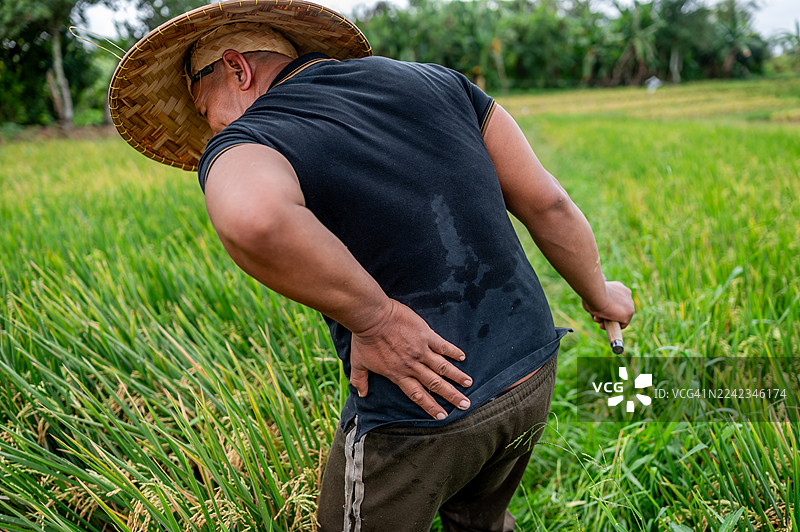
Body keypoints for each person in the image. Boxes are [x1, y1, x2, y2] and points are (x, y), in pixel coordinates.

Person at [108, 1, 635, 530]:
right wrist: (601, 295)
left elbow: (254, 219)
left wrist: (376, 319)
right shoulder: (440, 82)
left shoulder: (251, 136)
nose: (212, 129)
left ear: (236, 69)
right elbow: (549, 205)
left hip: (423, 409)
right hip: (531, 371)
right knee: (481, 521)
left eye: (206, 111)